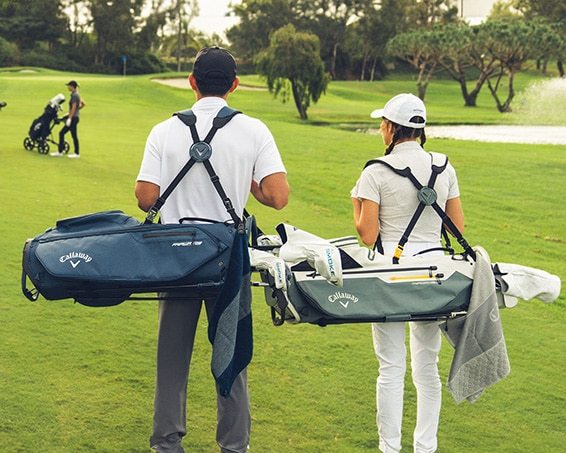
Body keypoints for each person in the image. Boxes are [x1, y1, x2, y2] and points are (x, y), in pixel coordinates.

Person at [135, 47, 289, 453]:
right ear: (234, 85)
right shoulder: (254, 130)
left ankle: (167, 443)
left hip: (175, 258)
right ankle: (233, 446)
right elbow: (277, 197)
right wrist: (246, 183)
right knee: (231, 352)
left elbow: (146, 197)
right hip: (226, 257)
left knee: (171, 358)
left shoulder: (163, 130)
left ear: (192, 81)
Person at [351, 93, 465, 453]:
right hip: (433, 275)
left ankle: (390, 448)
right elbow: (456, 227)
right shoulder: (444, 167)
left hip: (391, 276)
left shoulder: (375, 171)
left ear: (390, 128)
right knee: (426, 366)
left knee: (390, 368)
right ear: (420, 129)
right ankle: (425, 448)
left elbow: (367, 235)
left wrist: (356, 202)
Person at [51, 80, 85, 158]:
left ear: (72, 87)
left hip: (73, 118)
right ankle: (67, 152)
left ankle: (73, 153)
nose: (67, 87)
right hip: (74, 117)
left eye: (68, 86)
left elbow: (73, 107)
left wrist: (69, 118)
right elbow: (83, 104)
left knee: (69, 134)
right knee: (65, 134)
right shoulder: (76, 94)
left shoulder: (74, 96)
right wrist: (74, 111)